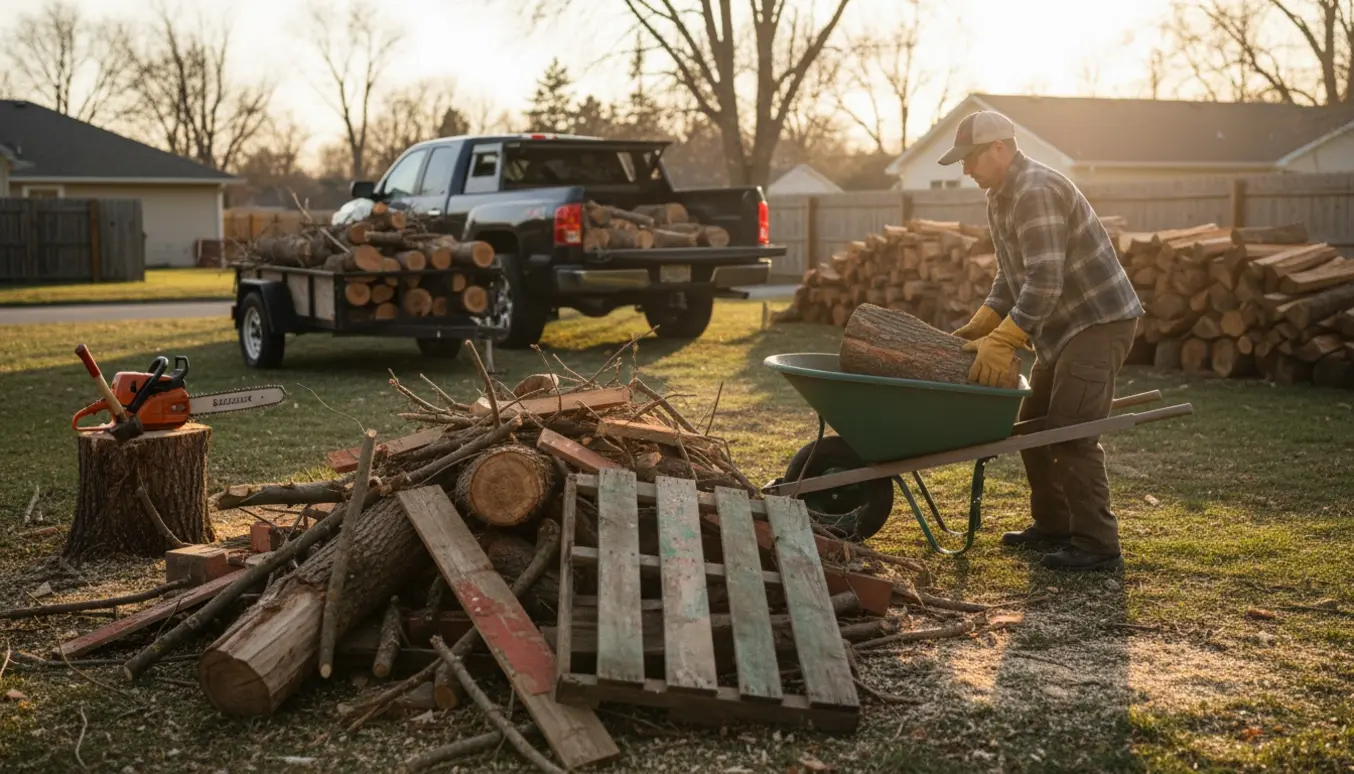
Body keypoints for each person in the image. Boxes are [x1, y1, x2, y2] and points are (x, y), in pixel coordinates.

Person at [940, 110, 1145, 572]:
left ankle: (1098, 545)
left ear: (999, 148)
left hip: (1097, 322)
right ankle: (1055, 525)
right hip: (1063, 328)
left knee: (1071, 432)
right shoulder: (1000, 197)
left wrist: (1006, 339)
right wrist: (986, 320)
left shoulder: (1036, 190)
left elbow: (1045, 280)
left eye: (970, 158)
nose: (966, 169)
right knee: (1033, 426)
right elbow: (1011, 273)